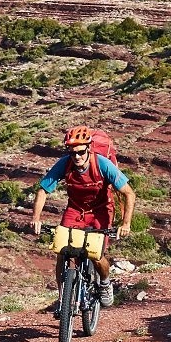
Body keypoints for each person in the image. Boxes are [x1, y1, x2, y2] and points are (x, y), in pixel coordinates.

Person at [30, 125, 136, 308]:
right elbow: (43, 190)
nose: (77, 157)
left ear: (88, 148)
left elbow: (129, 193)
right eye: (72, 153)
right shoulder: (65, 163)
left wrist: (125, 224)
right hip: (75, 210)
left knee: (95, 254)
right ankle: (64, 298)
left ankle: (104, 283)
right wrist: (36, 218)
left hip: (101, 211)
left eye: (80, 152)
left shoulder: (102, 164)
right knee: (62, 252)